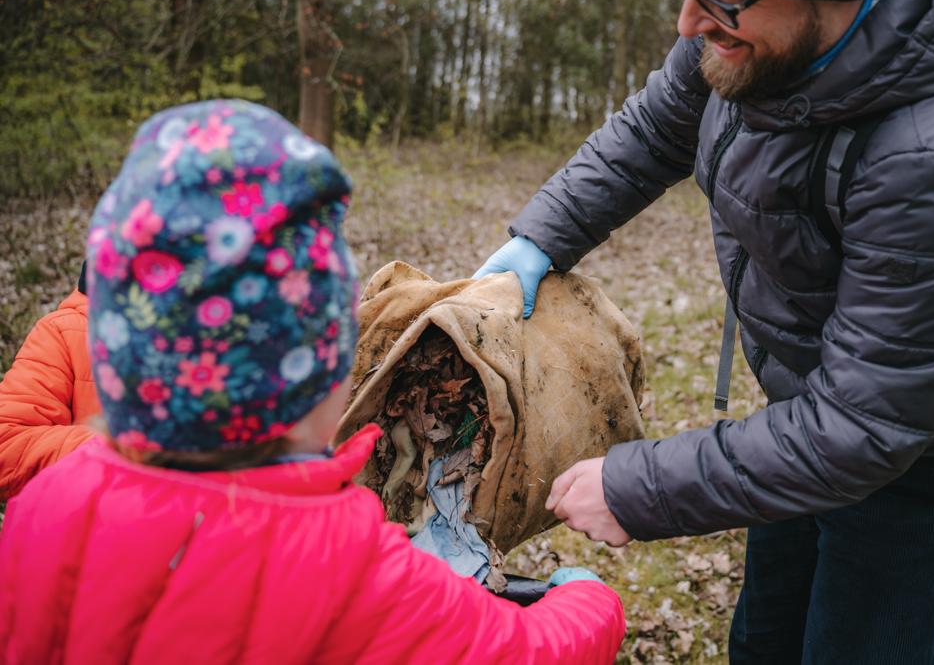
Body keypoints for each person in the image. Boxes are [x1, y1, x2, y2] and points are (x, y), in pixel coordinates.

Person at [473, 0, 934, 661]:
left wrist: (637, 486)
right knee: (768, 631)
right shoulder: (752, 40)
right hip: (804, 409)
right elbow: (652, 130)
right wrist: (540, 237)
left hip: (917, 450)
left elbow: (863, 426)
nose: (686, 23)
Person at [0, 101, 626, 664]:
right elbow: (525, 652)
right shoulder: (353, 569)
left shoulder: (43, 514)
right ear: (319, 374)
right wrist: (589, 601)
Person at [0, 264, 98, 499]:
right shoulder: (64, 332)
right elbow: (7, 443)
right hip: (91, 523)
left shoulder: (199, 339)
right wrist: (119, 452)